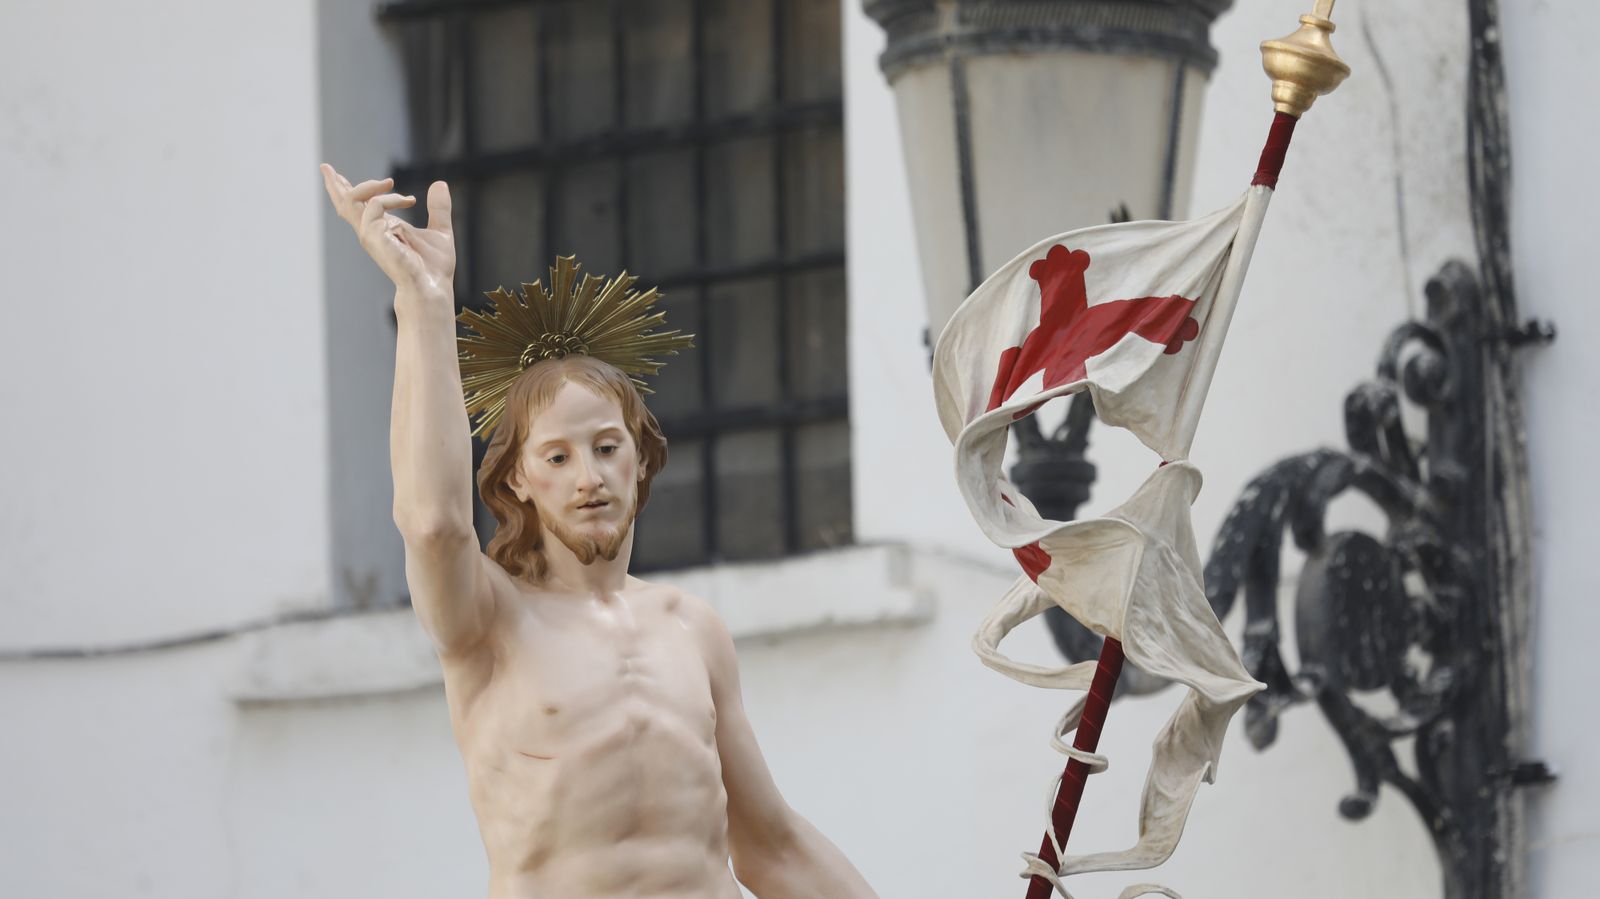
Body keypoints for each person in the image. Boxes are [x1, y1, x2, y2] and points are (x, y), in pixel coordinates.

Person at [319, 164, 879, 899]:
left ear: (640, 458)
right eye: (557, 456)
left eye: (607, 447)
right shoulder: (488, 619)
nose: (589, 476)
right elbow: (433, 523)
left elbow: (772, 847)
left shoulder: (692, 629)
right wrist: (423, 304)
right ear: (518, 478)